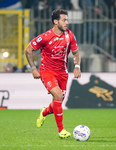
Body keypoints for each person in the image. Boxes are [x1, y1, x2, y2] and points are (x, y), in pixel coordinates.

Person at [24, 9, 81, 139]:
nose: (67, 22)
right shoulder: (45, 37)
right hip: (47, 71)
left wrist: (77, 67)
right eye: (64, 20)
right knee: (58, 95)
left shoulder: (70, 35)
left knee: (58, 100)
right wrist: (33, 68)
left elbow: (76, 53)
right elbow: (28, 50)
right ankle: (61, 130)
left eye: (67, 20)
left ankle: (43, 112)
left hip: (63, 73)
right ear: (56, 22)